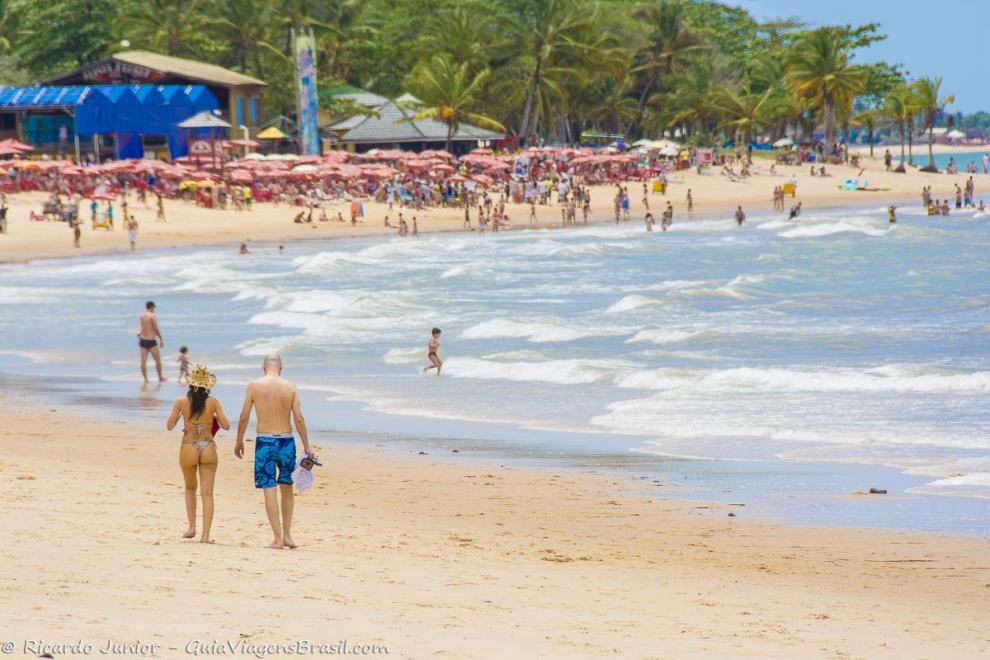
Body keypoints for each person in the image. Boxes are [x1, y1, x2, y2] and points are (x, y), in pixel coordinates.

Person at [234, 354, 315, 550]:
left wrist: (239, 440)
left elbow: (244, 416)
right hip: (286, 441)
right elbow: (299, 418)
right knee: (286, 486)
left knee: (269, 487)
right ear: (282, 366)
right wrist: (307, 445)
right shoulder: (290, 386)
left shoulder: (254, 385)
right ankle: (287, 536)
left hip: (265, 441)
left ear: (263, 366)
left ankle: (277, 538)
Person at [166, 364, 230, 543]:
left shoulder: (181, 402)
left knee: (190, 488)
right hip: (208, 446)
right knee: (207, 493)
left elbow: (169, 426)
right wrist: (214, 418)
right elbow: (226, 425)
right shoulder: (214, 402)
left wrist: (183, 415)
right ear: (207, 385)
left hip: (188, 446)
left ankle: (192, 527)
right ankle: (205, 536)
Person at [138, 301, 166, 383]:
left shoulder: (141, 316)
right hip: (151, 340)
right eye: (154, 308)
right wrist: (161, 339)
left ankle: (146, 379)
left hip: (142, 340)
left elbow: (143, 327)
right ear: (151, 307)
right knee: (158, 360)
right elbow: (155, 328)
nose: (154, 309)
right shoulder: (152, 316)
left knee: (143, 361)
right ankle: (160, 378)